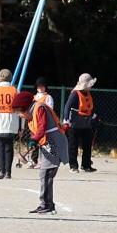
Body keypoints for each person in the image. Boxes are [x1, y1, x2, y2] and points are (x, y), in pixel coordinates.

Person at [29, 79, 68, 214]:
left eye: (42, 85)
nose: (40, 87)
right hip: (44, 137)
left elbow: (43, 123)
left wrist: (35, 138)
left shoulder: (46, 100)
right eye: (38, 85)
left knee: (46, 173)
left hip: (49, 137)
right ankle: (46, 203)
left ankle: (46, 204)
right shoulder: (33, 100)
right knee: (45, 172)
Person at [65, 73, 99, 172]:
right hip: (74, 123)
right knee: (73, 146)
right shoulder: (75, 94)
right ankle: (73, 166)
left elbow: (90, 108)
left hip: (87, 123)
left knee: (87, 145)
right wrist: (66, 120)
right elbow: (67, 107)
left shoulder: (88, 94)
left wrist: (95, 117)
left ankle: (86, 165)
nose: (91, 86)